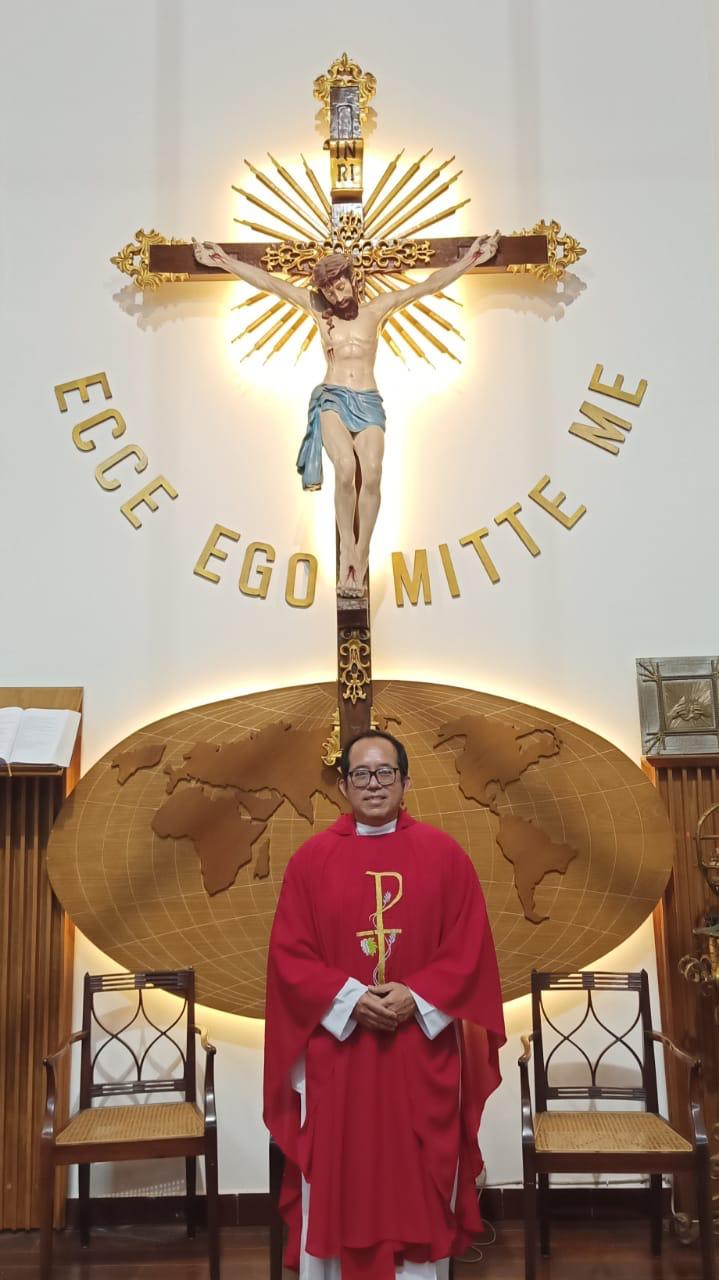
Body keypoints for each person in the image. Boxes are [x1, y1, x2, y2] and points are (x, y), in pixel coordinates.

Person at [263, 730, 505, 1280]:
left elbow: (470, 949)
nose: (373, 784)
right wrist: (350, 1000)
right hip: (340, 1058)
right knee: (342, 1172)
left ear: (405, 781)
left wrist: (415, 995)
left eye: (385, 773)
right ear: (344, 785)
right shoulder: (311, 861)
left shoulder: (445, 856)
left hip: (419, 1052)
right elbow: (289, 956)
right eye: (361, 774)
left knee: (414, 1175)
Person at [193, 233, 500, 596]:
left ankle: (362, 551)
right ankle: (347, 552)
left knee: (372, 473)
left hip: (367, 401)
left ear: (351, 279)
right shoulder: (317, 309)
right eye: (330, 291)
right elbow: (270, 283)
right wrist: (223, 260)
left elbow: (428, 285)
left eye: (340, 287)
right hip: (333, 398)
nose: (337, 297)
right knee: (344, 469)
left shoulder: (377, 309)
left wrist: (471, 259)